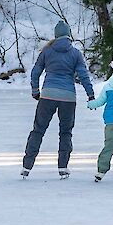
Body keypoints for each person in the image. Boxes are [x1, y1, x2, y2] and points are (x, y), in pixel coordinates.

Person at [21, 20, 95, 180]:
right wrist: (90, 94)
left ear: (55, 36)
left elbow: (35, 72)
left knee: (38, 130)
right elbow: (83, 75)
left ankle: (27, 166)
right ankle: (63, 167)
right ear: (69, 35)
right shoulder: (76, 53)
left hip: (47, 95)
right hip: (68, 97)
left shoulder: (47, 51)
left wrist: (35, 90)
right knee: (65, 132)